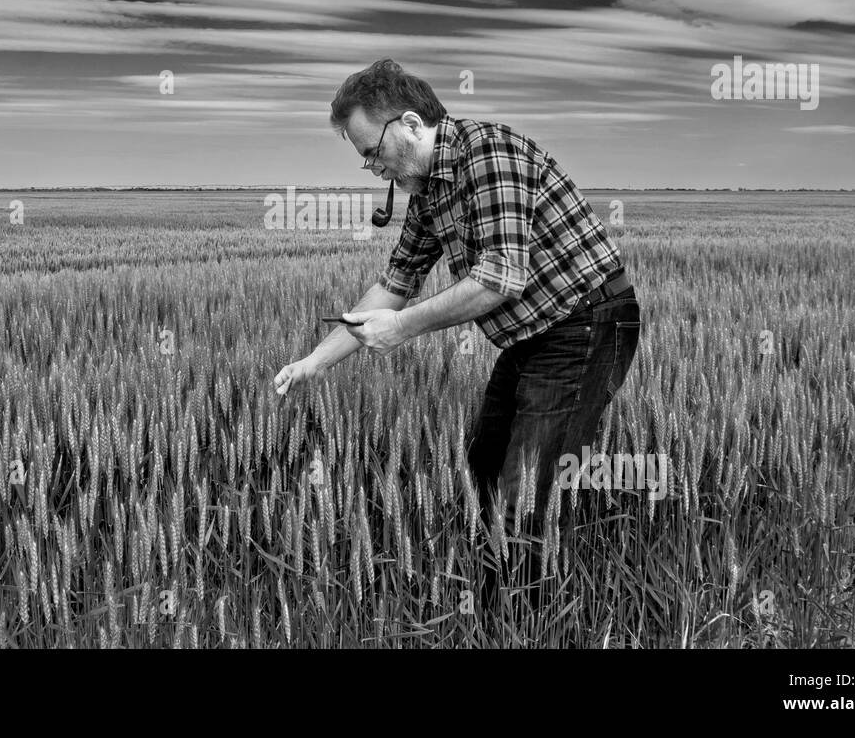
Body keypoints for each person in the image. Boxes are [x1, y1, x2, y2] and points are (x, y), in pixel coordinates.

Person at [273, 58, 641, 619]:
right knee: (484, 467)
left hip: (587, 322)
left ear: (412, 124)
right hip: (532, 335)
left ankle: (533, 624)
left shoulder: (486, 156)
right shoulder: (426, 194)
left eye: (371, 151)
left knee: (525, 490)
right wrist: (316, 362)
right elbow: (392, 286)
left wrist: (403, 328)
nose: (370, 167)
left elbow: (499, 278)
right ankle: (499, 614)